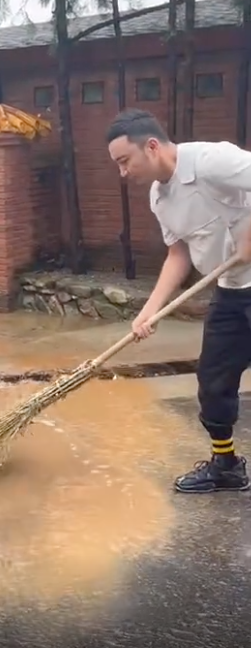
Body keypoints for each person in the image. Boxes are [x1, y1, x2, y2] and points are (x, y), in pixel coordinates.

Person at [106, 108, 251, 494]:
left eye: (125, 161)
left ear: (151, 146)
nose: (123, 173)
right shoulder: (160, 198)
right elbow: (179, 255)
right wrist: (149, 311)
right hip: (232, 292)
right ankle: (226, 467)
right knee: (213, 381)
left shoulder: (211, 161)